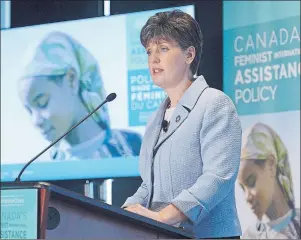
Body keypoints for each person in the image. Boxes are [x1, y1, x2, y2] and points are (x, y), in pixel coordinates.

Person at [121, 10, 242, 239]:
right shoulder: (155, 120)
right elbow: (149, 185)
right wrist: (124, 212)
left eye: (163, 49)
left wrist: (165, 216)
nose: (153, 59)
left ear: (189, 55)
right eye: (149, 52)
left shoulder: (214, 104)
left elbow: (218, 177)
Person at [18, 31, 142, 161]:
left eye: (42, 103)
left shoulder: (133, 144)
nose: (36, 121)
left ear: (71, 80)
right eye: (29, 111)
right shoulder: (46, 163)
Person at [238, 122, 300, 239]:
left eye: (251, 182)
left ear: (271, 164)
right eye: (242, 188)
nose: (247, 197)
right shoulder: (250, 236)